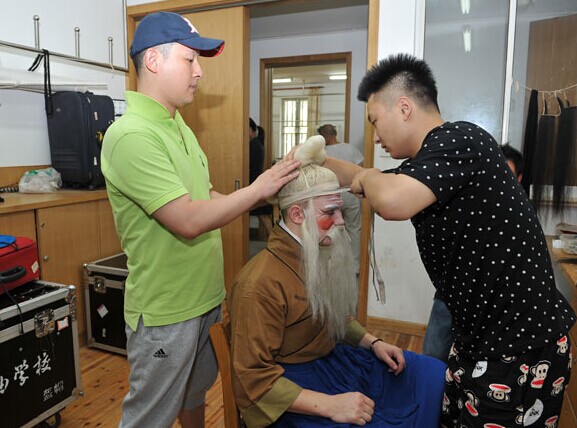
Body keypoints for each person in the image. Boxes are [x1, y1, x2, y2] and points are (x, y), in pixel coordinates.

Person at [302, 53, 575, 427]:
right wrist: (312, 159)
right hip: (478, 337)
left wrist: (369, 178)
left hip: (519, 344)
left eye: (375, 121)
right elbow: (362, 176)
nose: (376, 136)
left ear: (404, 107)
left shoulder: (461, 139)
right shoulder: (431, 163)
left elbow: (390, 199)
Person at [100, 11, 299, 428]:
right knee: (149, 418)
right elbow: (188, 219)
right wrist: (256, 190)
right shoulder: (131, 135)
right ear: (153, 60)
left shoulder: (178, 126)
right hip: (167, 310)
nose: (199, 71)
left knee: (194, 393)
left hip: (204, 298)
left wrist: (267, 196)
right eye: (190, 59)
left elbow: (206, 198)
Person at [225, 162, 447, 428]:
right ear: (297, 214)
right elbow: (253, 378)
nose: (341, 221)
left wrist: (374, 343)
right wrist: (331, 405)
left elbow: (334, 317)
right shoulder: (258, 284)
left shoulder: (316, 252)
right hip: (293, 386)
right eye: (330, 212)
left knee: (433, 375)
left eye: (340, 210)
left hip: (332, 361)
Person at [422, 142, 527, 364]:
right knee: (432, 355)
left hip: (490, 306)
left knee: (473, 366)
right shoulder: (468, 201)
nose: (499, 181)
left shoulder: (523, 216)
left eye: (507, 175)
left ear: (518, 179)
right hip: (450, 294)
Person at [317, 124, 364, 275]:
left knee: (330, 231)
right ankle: (355, 266)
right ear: (335, 134)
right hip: (350, 193)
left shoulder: (320, 153)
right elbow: (361, 170)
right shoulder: (350, 149)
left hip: (329, 196)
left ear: (322, 137)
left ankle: (332, 266)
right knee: (354, 229)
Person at [249, 118, 273, 237]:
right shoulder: (257, 143)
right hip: (256, 181)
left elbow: (249, 164)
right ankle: (274, 240)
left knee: (262, 215)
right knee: (263, 215)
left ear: (250, 129)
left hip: (253, 182)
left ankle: (275, 240)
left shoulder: (253, 144)